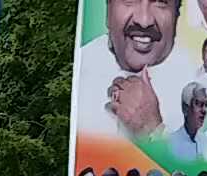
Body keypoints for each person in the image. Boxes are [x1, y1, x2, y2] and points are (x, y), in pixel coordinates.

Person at [76, 0, 185, 138]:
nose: (144, 21)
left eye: (160, 1)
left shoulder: (200, 91)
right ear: (108, 10)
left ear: (176, 14)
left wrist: (152, 130)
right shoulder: (76, 71)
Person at [169, 83, 207, 162]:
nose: (204, 110)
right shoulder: (171, 143)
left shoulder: (206, 141)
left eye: (206, 105)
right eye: (198, 104)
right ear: (185, 108)